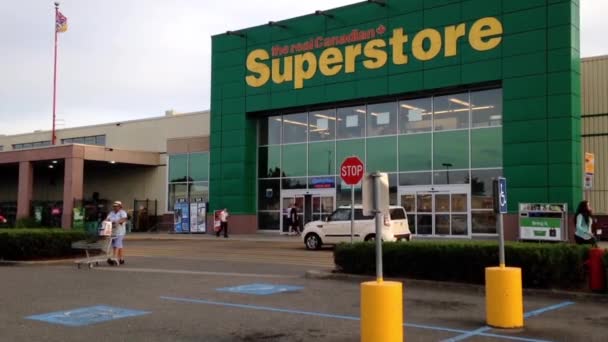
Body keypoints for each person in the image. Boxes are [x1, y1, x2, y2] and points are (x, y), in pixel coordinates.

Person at [105, 201, 128, 265]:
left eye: (116, 206)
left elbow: (124, 219)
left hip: (120, 231)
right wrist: (105, 222)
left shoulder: (122, 212)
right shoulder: (111, 213)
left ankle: (114, 258)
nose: (115, 207)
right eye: (114, 206)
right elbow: (107, 219)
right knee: (119, 245)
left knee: (116, 245)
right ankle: (121, 259)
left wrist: (117, 222)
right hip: (112, 231)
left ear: (120, 206)